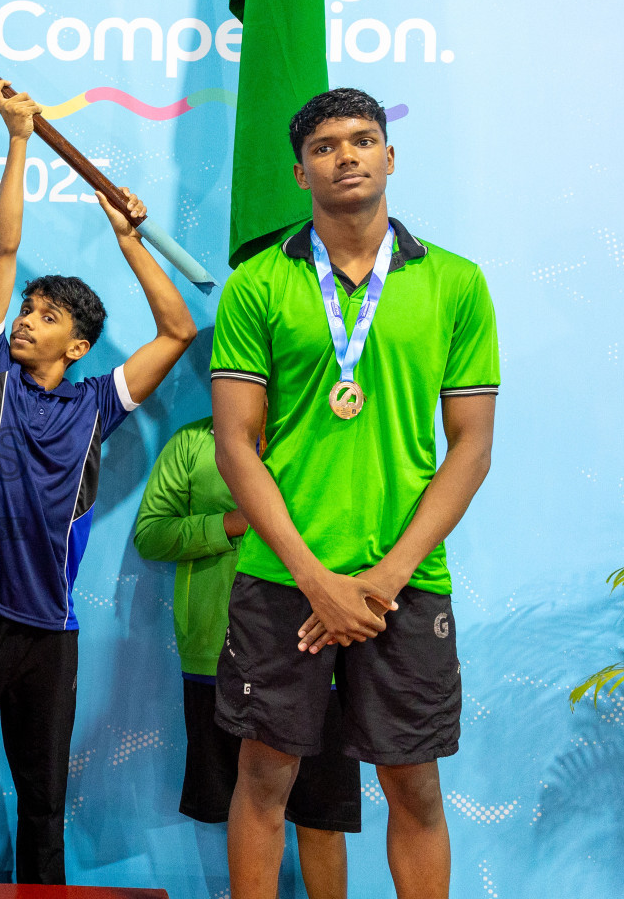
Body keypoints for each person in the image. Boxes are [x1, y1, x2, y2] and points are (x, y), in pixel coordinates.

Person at [211, 88, 499, 899]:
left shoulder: (456, 283)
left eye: (363, 140)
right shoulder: (257, 284)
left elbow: (472, 447)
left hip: (404, 583)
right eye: (326, 146)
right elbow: (235, 446)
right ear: (300, 172)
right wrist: (316, 579)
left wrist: (383, 578)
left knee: (415, 788)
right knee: (264, 779)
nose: (347, 156)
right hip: (283, 579)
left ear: (390, 157)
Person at [0, 82, 197, 884]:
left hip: (49, 633)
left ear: (78, 347)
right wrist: (20, 139)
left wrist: (129, 242)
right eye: (28, 309)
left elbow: (178, 330)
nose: (26, 319)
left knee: (44, 805)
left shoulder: (95, 406)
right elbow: (4, 251)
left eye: (48, 316)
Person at [135, 416, 360, 899]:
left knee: (322, 816)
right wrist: (232, 522)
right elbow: (150, 534)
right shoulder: (191, 443)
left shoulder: (320, 434)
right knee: (240, 808)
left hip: (315, 649)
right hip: (215, 655)